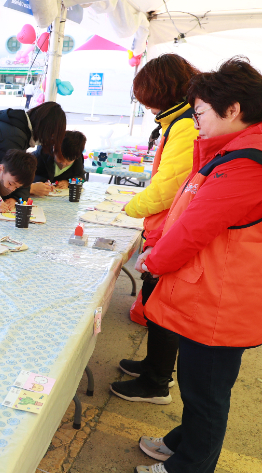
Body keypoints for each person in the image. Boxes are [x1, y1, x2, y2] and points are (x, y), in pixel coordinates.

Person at [132, 57, 262, 473]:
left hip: (222, 303)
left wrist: (154, 260)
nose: (196, 121)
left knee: (206, 393)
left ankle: (189, 465)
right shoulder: (236, 150)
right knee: (198, 385)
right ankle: (181, 442)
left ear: (233, 110)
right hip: (215, 295)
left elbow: (194, 229)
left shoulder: (245, 163)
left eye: (200, 112)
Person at [119, 54, 200, 327]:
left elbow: (168, 187)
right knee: (155, 292)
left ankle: (155, 369)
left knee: (159, 296)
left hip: (169, 223)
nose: (148, 108)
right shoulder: (181, 120)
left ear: (161, 93)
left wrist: (131, 207)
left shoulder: (185, 125)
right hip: (167, 221)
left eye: (148, 99)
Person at [30, 130, 87, 196]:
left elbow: (80, 176)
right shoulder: (41, 154)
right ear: (54, 149)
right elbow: (31, 174)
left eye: (69, 162)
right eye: (60, 159)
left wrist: (68, 182)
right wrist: (44, 182)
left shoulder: (76, 156)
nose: (63, 163)